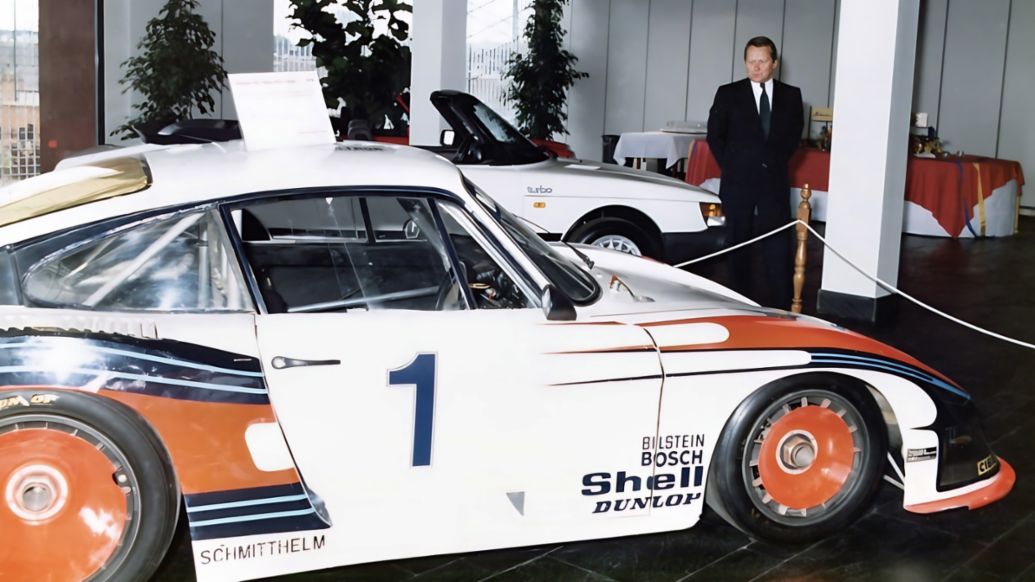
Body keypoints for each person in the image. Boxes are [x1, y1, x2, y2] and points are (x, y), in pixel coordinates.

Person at [707, 36, 803, 309]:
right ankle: (740, 302)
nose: (756, 67)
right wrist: (733, 166)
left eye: (762, 61)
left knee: (777, 244)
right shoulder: (727, 93)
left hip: (773, 181)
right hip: (737, 181)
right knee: (737, 242)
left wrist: (770, 163)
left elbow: (793, 137)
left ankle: (781, 306)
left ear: (774, 63)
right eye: (751, 62)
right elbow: (715, 136)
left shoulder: (791, 95)